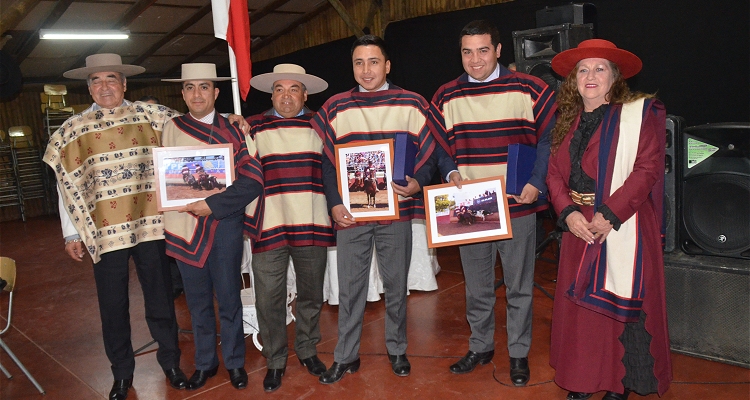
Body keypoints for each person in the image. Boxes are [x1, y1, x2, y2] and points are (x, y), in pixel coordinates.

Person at [43, 53, 186, 400]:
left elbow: (198, 126)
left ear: (124, 84)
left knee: (160, 299)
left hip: (150, 225)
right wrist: (71, 232)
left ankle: (171, 363)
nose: (104, 86)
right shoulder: (73, 131)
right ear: (89, 87)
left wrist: (236, 120)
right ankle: (122, 374)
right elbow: (67, 184)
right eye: (96, 80)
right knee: (112, 305)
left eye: (111, 79)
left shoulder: (152, 117)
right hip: (104, 233)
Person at [430, 20, 556, 386]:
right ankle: (481, 346)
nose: (475, 59)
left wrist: (537, 182)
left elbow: (550, 140)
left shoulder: (531, 88)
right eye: (467, 52)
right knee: (477, 284)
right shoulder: (446, 96)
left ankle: (518, 353)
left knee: (518, 285)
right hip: (471, 204)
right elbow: (439, 146)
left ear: (499, 50)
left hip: (517, 202)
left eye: (483, 50)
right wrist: (450, 172)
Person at [546, 39, 672, 400]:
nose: (590, 75)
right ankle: (584, 381)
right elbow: (554, 173)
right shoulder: (565, 119)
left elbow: (647, 169)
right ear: (573, 80)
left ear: (615, 77)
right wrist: (567, 213)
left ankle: (620, 384)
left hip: (622, 221)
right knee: (582, 313)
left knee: (619, 305)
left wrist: (609, 215)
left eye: (600, 68)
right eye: (583, 69)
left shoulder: (637, 115)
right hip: (578, 225)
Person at [310, 34, 439, 384]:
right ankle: (345, 356)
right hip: (352, 216)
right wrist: (334, 202)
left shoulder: (412, 103)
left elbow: (430, 154)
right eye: (358, 63)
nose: (366, 70)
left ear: (387, 65)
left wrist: (418, 182)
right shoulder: (336, 107)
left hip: (396, 211)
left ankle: (397, 349)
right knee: (350, 288)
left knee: (396, 285)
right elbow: (324, 162)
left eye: (373, 62)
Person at [160, 63, 264, 391]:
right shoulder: (170, 128)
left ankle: (234, 362)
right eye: (189, 87)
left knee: (229, 296)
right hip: (184, 224)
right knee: (197, 301)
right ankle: (205, 362)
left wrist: (213, 205)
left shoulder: (235, 129)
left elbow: (253, 179)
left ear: (216, 92)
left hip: (224, 224)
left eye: (204, 87)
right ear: (182, 93)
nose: (196, 94)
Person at [243, 63, 335, 392]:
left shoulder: (321, 126)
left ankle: (307, 348)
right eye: (279, 90)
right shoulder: (252, 127)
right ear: (272, 95)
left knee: (311, 295)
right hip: (268, 225)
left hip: (311, 223)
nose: (286, 96)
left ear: (305, 94)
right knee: (268, 298)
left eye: (293, 89)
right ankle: (275, 359)